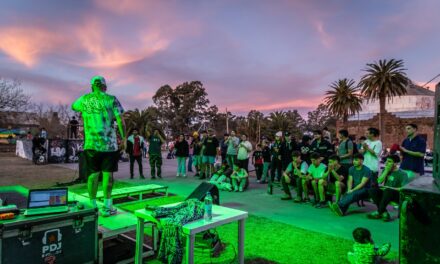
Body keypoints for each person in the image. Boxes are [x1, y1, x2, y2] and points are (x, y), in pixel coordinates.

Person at [72, 76, 126, 217]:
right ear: (104, 86)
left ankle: (92, 206)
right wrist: (124, 138)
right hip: (109, 144)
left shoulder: (84, 99)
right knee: (108, 176)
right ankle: (108, 207)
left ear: (92, 86)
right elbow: (120, 119)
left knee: (93, 175)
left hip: (91, 144)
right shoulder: (111, 99)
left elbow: (74, 106)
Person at [367, 154, 409, 221]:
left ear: (395, 163)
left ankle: (379, 212)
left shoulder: (402, 174)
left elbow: (403, 189)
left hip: (396, 194)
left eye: (389, 161)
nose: (386, 163)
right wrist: (386, 171)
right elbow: (379, 182)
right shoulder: (385, 170)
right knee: (372, 190)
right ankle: (385, 213)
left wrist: (390, 188)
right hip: (386, 192)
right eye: (386, 161)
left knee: (388, 190)